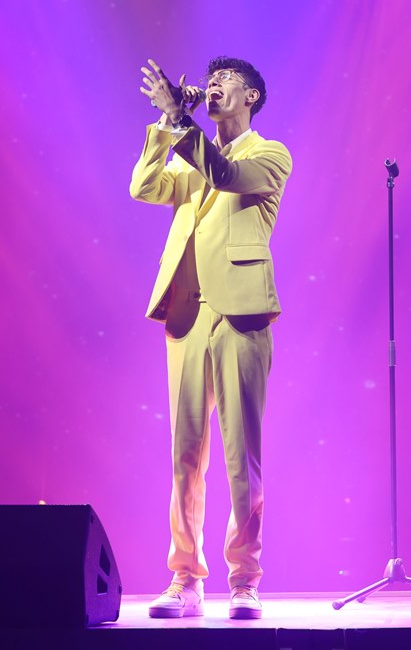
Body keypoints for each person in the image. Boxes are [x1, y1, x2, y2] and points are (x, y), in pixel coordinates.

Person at [130, 56, 292, 620]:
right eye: (210, 80)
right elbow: (143, 186)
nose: (214, 85)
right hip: (187, 314)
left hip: (241, 313)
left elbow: (224, 174)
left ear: (251, 97)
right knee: (185, 454)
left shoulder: (270, 155)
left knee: (241, 457)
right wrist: (167, 124)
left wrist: (184, 123)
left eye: (226, 81)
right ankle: (185, 578)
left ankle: (244, 580)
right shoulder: (190, 153)